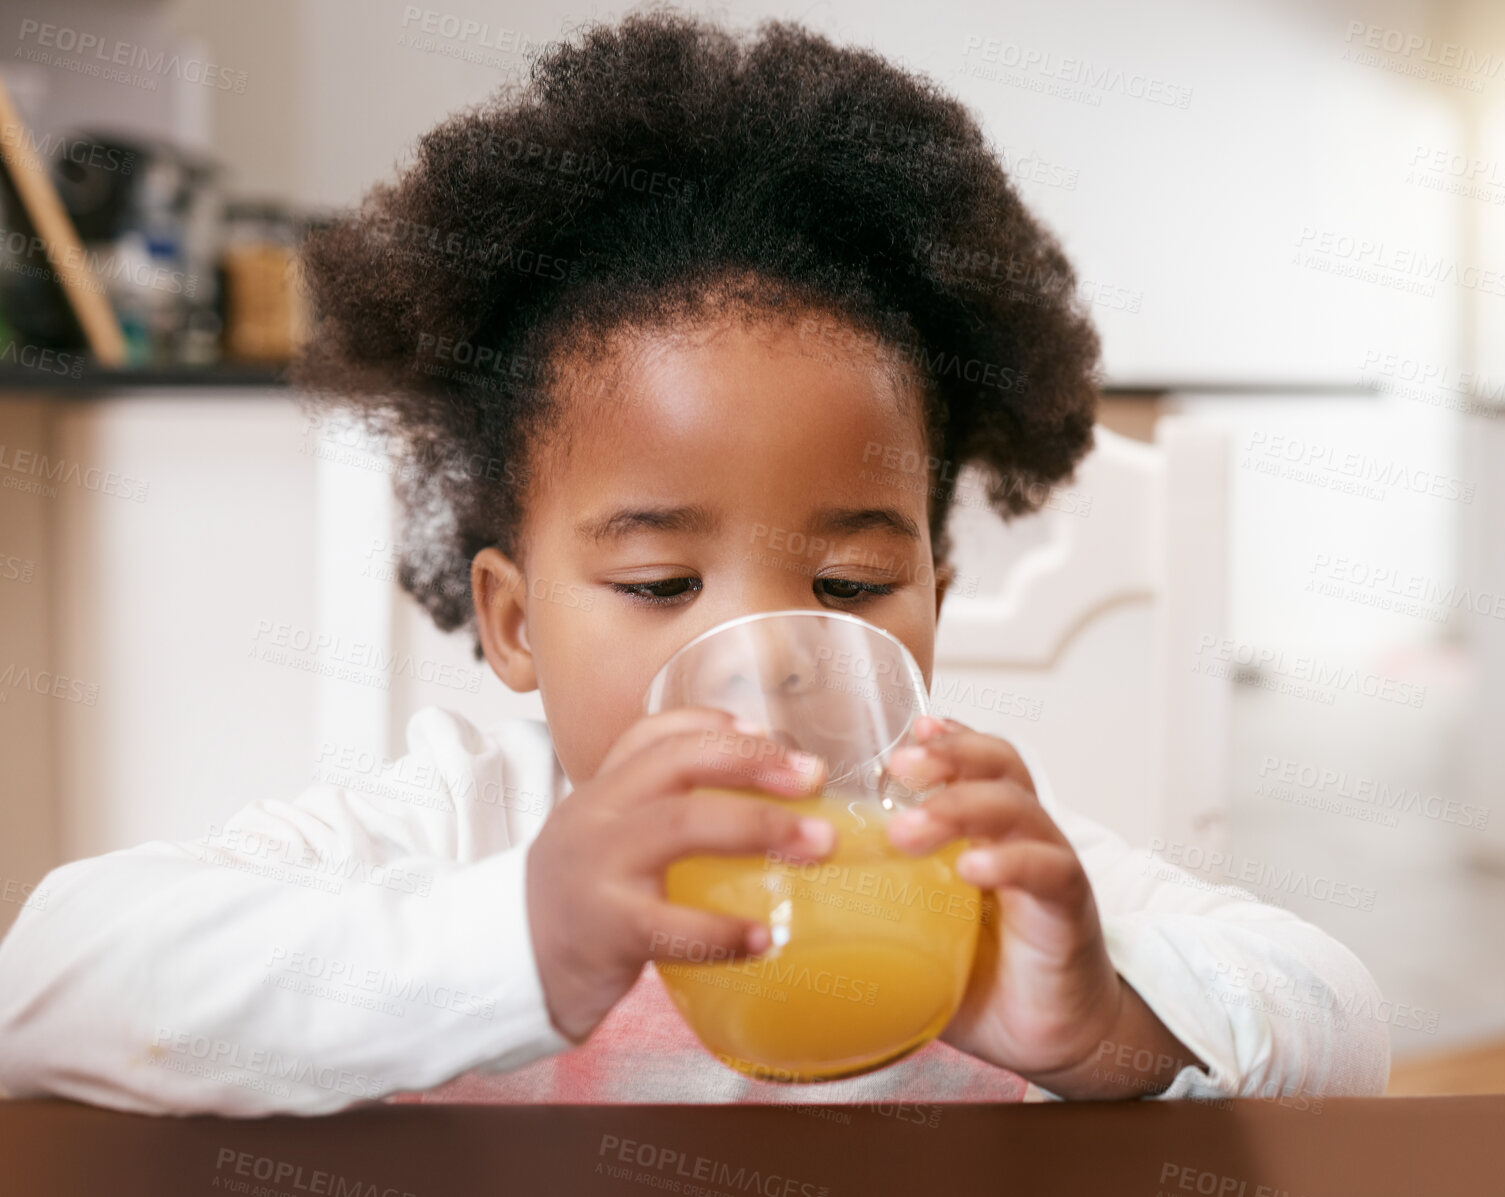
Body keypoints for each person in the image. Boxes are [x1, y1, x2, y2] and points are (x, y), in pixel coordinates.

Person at [0, 11, 1389, 1115]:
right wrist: (518, 938)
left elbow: (1344, 1021)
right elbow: (50, 983)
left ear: (936, 608)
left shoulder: (954, 856)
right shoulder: (458, 833)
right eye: (661, 584)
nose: (775, 659)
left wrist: (1106, 1019)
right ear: (512, 619)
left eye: (850, 588)